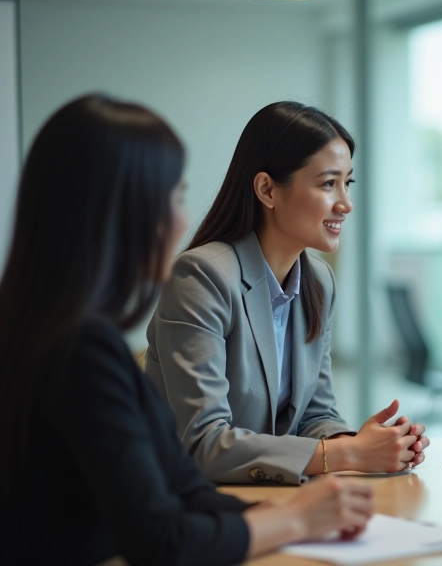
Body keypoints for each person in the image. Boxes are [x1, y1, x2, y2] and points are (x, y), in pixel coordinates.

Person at [0, 94, 375, 565]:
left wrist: (330, 476)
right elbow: (162, 539)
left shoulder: (68, 337)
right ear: (117, 211)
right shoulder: (79, 352)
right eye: (172, 197)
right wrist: (297, 520)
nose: (181, 220)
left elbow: (181, 485)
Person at [145, 102, 428, 485]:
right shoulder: (202, 277)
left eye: (348, 183)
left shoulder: (319, 281)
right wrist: (347, 453)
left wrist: (368, 445)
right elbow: (204, 444)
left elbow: (314, 415)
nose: (345, 204)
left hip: (277, 499)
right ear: (267, 189)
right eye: (328, 184)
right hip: (195, 507)